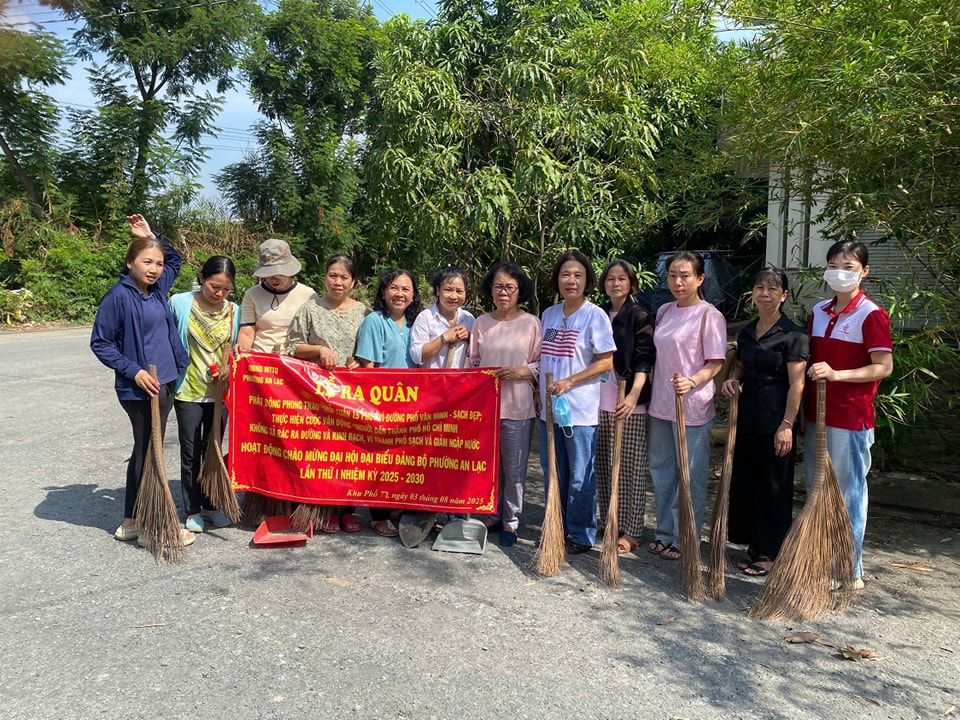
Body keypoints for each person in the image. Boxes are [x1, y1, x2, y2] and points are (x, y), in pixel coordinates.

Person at [90, 214, 194, 546]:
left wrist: (151, 236)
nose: (155, 269)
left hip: (165, 380)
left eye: (157, 263)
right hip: (141, 387)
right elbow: (101, 343)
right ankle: (155, 526)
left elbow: (176, 260)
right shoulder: (118, 297)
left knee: (146, 448)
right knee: (150, 451)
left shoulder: (157, 289)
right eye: (147, 261)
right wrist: (133, 371)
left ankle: (132, 521)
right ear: (130, 263)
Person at [805, 239, 893, 590]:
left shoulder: (871, 314)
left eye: (849, 267)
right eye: (833, 266)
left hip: (850, 418)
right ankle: (817, 563)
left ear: (864, 271)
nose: (839, 273)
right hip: (816, 416)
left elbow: (883, 366)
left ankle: (848, 570)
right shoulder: (818, 311)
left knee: (848, 493)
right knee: (818, 492)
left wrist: (838, 375)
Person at [721, 268, 809, 576]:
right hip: (747, 418)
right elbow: (741, 367)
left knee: (774, 487)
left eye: (772, 289)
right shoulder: (747, 332)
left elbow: (797, 383)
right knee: (748, 482)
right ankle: (753, 545)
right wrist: (732, 379)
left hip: (776, 420)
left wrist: (787, 424)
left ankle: (771, 552)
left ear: (783, 296)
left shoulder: (794, 335)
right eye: (759, 288)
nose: (765, 294)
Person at [647, 251, 726, 561]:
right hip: (661, 404)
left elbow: (715, 362)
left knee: (689, 476)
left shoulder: (709, 315)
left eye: (685, 276)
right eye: (672, 276)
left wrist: (692, 381)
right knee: (662, 470)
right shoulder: (664, 311)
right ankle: (664, 533)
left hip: (692, 407)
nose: (678, 282)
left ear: (700, 279)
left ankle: (685, 537)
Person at [284, 254, 370, 533]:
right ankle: (324, 509)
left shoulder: (364, 313)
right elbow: (292, 347)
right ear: (325, 278)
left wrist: (361, 361)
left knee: (350, 450)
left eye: (344, 277)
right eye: (333, 275)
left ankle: (347, 509)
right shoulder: (310, 309)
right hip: (317, 394)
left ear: (353, 282)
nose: (338, 282)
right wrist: (319, 350)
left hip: (352, 394)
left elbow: (370, 349)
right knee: (321, 451)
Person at [539, 250, 616, 554]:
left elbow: (606, 361)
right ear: (557, 279)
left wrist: (570, 382)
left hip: (580, 412)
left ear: (587, 281)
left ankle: (581, 533)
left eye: (578, 275)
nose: (571, 280)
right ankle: (555, 526)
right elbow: (543, 358)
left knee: (579, 475)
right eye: (565, 275)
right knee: (553, 471)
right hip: (549, 410)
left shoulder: (595, 315)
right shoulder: (549, 314)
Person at [168, 256, 242, 534]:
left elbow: (237, 348)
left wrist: (229, 368)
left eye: (226, 289)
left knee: (213, 451)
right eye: (214, 286)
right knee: (190, 452)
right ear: (201, 278)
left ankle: (211, 505)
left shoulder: (234, 311)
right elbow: (167, 339)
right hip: (188, 390)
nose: (219, 293)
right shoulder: (180, 303)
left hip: (219, 393)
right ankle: (192, 510)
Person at [470, 261, 541, 546]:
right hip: (487, 408)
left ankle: (511, 522)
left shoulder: (531, 323)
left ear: (520, 290)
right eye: (498, 286)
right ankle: (492, 515)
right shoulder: (481, 323)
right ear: (490, 290)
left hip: (518, 406)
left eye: (510, 287)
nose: (503, 292)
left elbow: (541, 362)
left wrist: (521, 372)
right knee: (490, 467)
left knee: (514, 468)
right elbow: (473, 363)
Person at [355, 268, 423, 537]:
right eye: (394, 288)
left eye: (406, 289)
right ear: (384, 292)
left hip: (412, 403)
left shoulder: (415, 323)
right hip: (382, 402)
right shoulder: (374, 321)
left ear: (413, 295)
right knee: (380, 460)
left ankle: (397, 507)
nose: (400, 294)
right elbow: (368, 367)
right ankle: (378, 515)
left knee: (402, 459)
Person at [595, 260, 655, 555]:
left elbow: (644, 358)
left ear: (631, 284)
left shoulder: (639, 315)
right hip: (598, 400)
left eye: (622, 279)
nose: (615, 284)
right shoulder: (598, 313)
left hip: (627, 401)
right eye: (610, 278)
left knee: (631, 467)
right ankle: (610, 518)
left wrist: (633, 395)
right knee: (604, 464)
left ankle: (632, 529)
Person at [235, 239, 315, 354]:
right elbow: (247, 332)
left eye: (279, 274)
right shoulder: (252, 295)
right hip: (260, 357)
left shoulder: (308, 295)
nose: (274, 279)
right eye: (269, 274)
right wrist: (242, 349)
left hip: (294, 359)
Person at [410, 265, 474, 369]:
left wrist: (469, 337)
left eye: (459, 291)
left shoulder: (469, 318)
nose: (453, 296)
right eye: (448, 290)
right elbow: (416, 356)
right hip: (432, 379)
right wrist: (444, 338)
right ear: (438, 290)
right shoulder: (425, 317)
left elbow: (479, 352)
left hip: (461, 379)